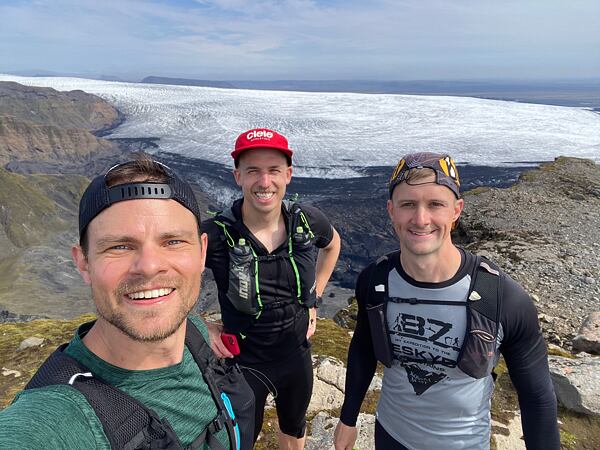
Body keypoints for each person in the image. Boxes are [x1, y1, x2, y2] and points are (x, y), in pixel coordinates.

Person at [0, 158, 254, 450]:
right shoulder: (55, 419)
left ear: (202, 252)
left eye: (173, 241)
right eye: (119, 246)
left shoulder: (194, 334)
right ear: (83, 263)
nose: (149, 266)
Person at [334, 152, 559, 450]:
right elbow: (363, 347)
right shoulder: (375, 280)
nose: (421, 219)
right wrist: (347, 419)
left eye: (435, 204)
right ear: (391, 211)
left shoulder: (502, 297)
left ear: (456, 210)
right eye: (408, 204)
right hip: (391, 435)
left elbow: (537, 397)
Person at [203, 128, 341, 449]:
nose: (264, 182)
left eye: (274, 171)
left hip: (296, 357)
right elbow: (167, 277)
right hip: (242, 364)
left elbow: (333, 244)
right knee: (240, 441)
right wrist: (198, 325)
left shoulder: (305, 221)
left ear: (288, 175)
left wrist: (314, 299)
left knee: (294, 430)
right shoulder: (217, 234)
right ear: (238, 176)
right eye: (253, 171)